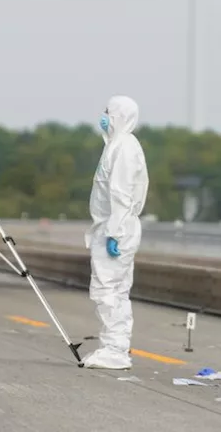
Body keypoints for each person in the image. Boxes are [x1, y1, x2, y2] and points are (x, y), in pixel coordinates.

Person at [80, 95, 149, 370]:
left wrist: (115, 232)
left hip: (115, 228)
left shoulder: (123, 147)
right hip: (115, 226)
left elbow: (121, 194)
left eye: (108, 111)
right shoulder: (117, 146)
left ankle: (114, 350)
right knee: (117, 290)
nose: (104, 116)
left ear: (119, 115)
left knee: (107, 289)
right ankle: (116, 346)